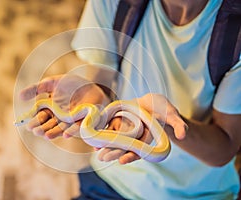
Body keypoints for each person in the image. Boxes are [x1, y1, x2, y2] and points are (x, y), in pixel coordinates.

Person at [20, 0, 241, 199]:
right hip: (112, 180)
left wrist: (164, 123)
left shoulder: (235, 31)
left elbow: (225, 147)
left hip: (197, 194)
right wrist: (96, 93)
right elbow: (103, 87)